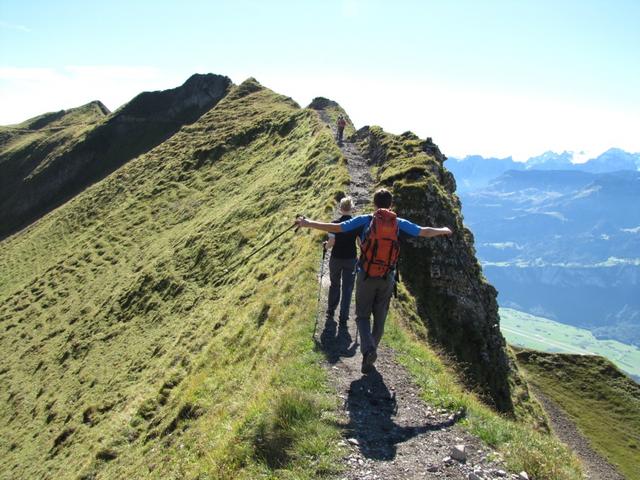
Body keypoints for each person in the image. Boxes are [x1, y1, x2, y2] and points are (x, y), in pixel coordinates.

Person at [296, 188, 452, 374]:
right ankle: (369, 355)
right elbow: (423, 232)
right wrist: (443, 230)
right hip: (387, 277)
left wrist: (308, 223)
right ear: (391, 205)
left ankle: (368, 349)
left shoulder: (365, 220)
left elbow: (336, 228)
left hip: (366, 275)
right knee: (380, 319)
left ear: (375, 204)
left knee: (362, 316)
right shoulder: (398, 223)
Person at [326, 196, 358, 325]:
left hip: (336, 258)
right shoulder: (356, 224)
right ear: (352, 208)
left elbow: (331, 242)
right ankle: (344, 317)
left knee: (334, 284)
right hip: (350, 259)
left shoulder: (334, 224)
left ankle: (331, 310)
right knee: (347, 288)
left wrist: (325, 246)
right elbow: (360, 243)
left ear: (340, 208)